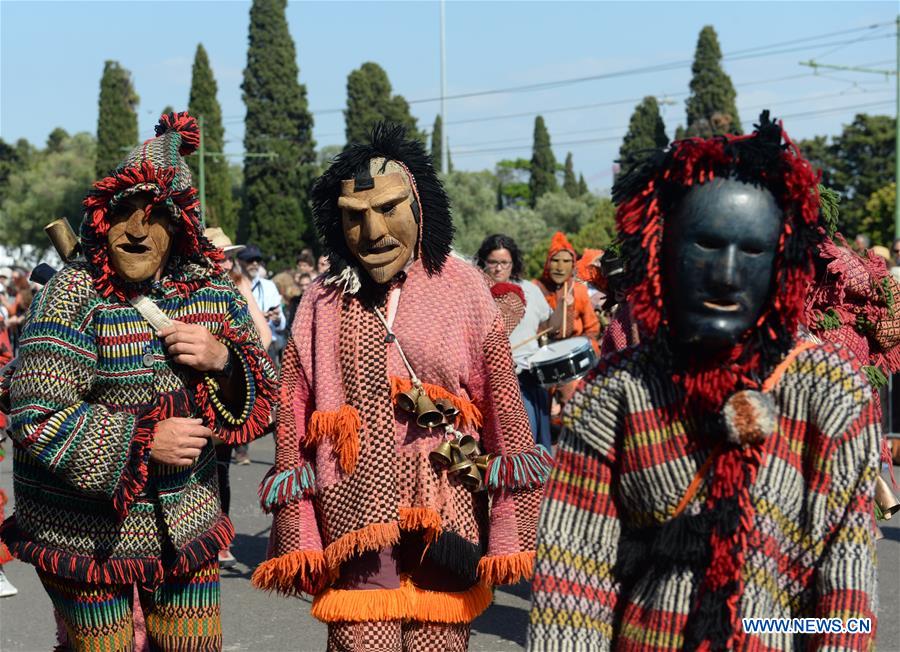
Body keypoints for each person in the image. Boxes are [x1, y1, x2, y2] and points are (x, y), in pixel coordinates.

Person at [529, 113, 879, 650]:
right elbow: (573, 585)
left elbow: (846, 600)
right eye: (706, 245)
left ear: (783, 260)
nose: (727, 273)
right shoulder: (616, 396)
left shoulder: (833, 395)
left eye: (754, 250)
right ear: (662, 250)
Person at [252, 124, 547, 651]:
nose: (374, 232)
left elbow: (503, 409)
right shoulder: (322, 301)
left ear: (419, 205)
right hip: (355, 511)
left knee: (439, 640)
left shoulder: (464, 289)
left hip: (448, 506)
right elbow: (291, 421)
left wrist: (509, 526)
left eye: (389, 209)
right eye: (355, 217)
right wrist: (300, 529)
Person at [0, 112, 277, 650]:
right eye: (123, 212)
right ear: (102, 218)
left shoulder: (214, 295)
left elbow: (266, 400)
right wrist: (144, 441)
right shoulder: (72, 294)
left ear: (181, 228)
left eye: (155, 216)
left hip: (187, 522)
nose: (135, 230)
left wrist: (223, 359)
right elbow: (35, 414)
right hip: (81, 532)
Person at [476, 234, 553, 452]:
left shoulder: (530, 290)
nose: (498, 268)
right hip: (496, 382)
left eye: (504, 263)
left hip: (531, 378)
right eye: (493, 262)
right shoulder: (476, 292)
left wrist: (569, 305)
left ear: (513, 263)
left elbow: (549, 325)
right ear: (483, 262)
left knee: (538, 448)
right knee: (514, 449)